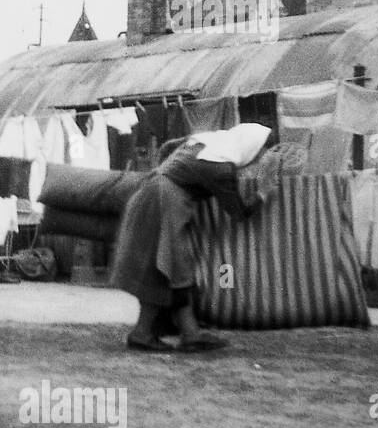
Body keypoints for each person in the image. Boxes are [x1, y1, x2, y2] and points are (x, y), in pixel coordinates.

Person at [112, 123, 273, 352]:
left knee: (168, 269)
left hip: (154, 194)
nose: (259, 157)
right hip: (163, 202)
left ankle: (180, 334)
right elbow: (239, 212)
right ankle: (162, 334)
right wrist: (264, 192)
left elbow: (168, 147)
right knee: (171, 267)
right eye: (260, 152)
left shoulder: (206, 140)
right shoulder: (220, 168)